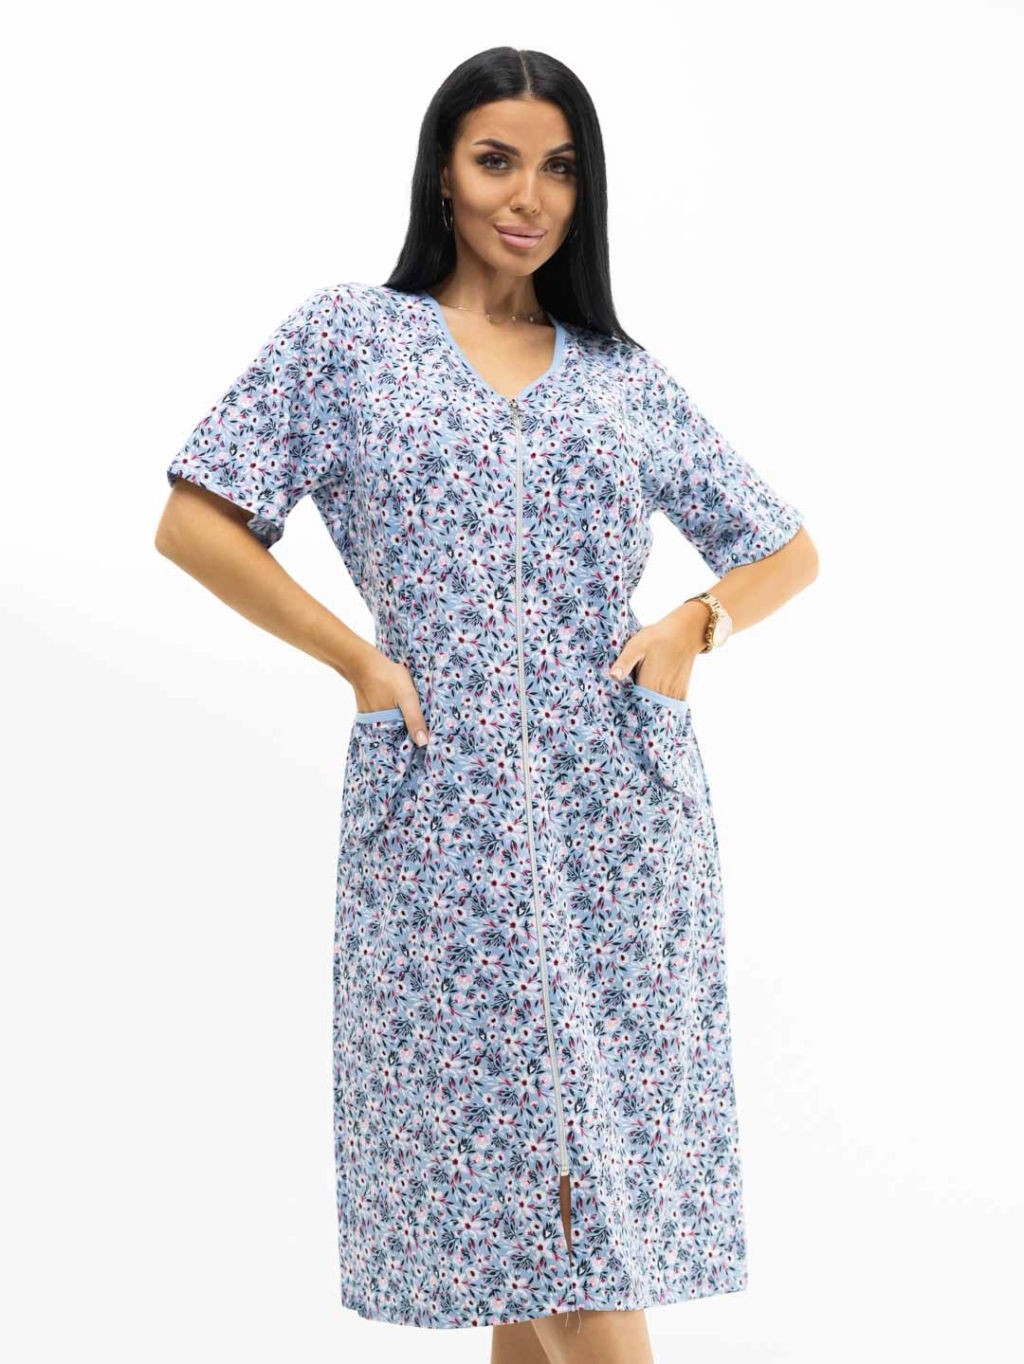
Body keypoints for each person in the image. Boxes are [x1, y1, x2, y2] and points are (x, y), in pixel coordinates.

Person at [155, 45, 818, 1364]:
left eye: (558, 168)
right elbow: (195, 522)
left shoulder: (619, 374)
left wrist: (696, 623)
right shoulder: (352, 342)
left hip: (621, 829)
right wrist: (360, 662)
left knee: (580, 1219)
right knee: (522, 1219)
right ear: (443, 175)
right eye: (497, 160)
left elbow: (785, 549)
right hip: (440, 824)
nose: (529, 196)